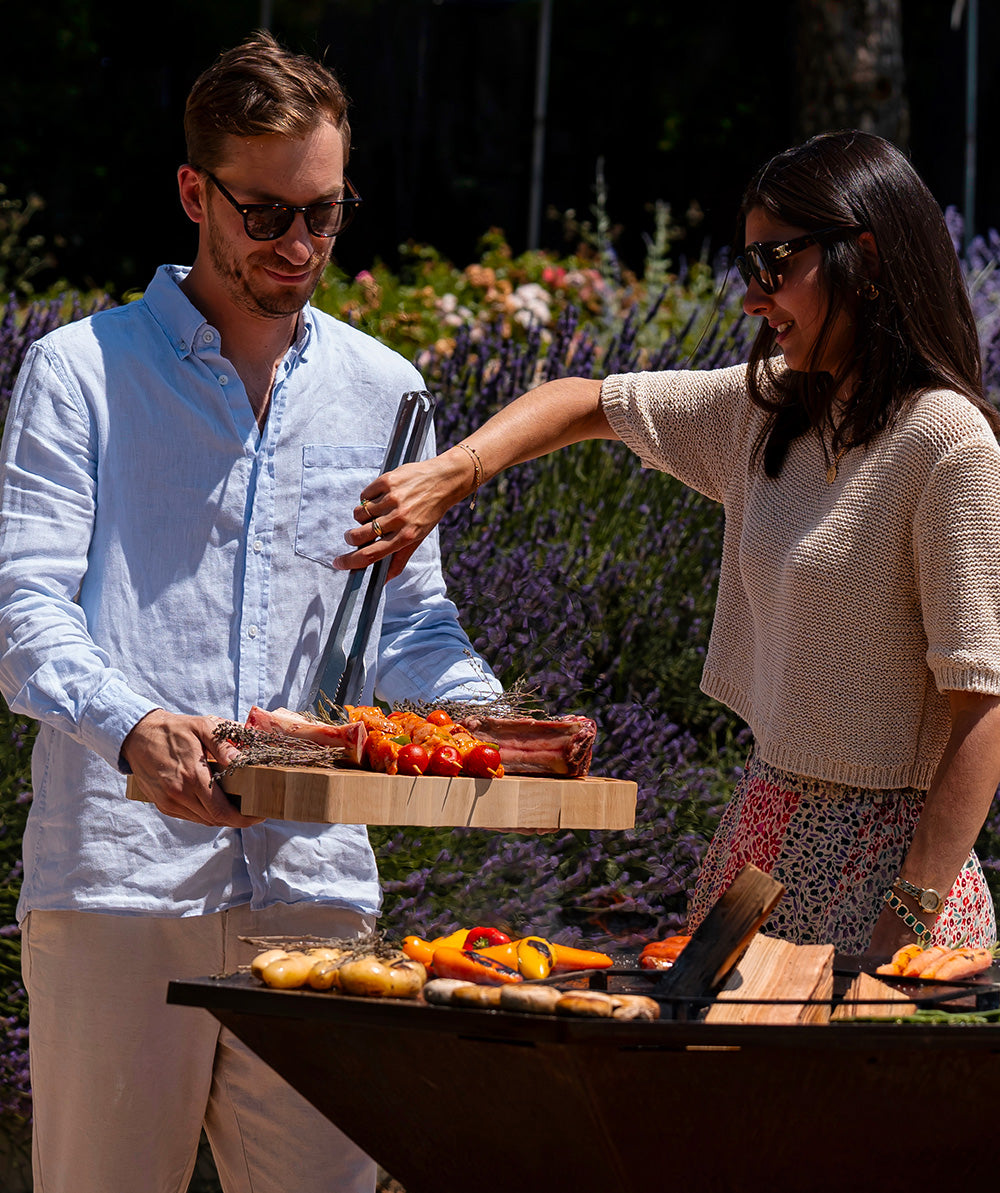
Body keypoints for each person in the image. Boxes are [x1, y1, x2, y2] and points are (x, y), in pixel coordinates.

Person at [0, 31, 500, 1193]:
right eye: (267, 213)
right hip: (120, 884)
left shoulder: (388, 390)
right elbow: (24, 612)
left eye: (325, 215)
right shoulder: (79, 371)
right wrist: (132, 726)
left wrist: (494, 720)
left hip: (316, 886)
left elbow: (406, 624)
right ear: (194, 192)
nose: (300, 244)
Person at [339, 129, 1000, 959]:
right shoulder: (766, 411)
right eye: (746, 268)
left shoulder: (949, 444)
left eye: (773, 265)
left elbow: (984, 709)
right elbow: (587, 401)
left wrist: (902, 925)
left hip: (896, 878)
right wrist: (454, 473)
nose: (753, 299)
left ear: (861, 256)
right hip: (763, 841)